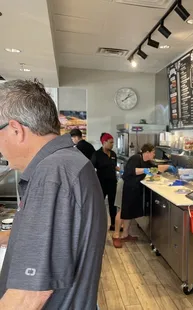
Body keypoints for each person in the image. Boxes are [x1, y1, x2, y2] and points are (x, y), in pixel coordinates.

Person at [0, 79, 107, 309]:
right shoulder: (66, 162)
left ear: (16, 130)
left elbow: (28, 296)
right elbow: (59, 237)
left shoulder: (52, 174)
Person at [112, 143, 176, 248]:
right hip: (124, 185)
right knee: (122, 209)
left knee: (129, 210)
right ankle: (116, 235)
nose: (154, 155)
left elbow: (155, 168)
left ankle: (125, 235)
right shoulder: (136, 158)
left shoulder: (147, 162)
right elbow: (131, 171)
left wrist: (169, 167)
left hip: (132, 187)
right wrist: (144, 171)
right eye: (153, 152)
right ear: (147, 152)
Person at [91, 132, 119, 231]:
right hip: (101, 183)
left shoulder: (113, 154)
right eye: (111, 142)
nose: (113, 144)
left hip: (112, 183)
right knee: (99, 204)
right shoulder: (96, 154)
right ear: (104, 142)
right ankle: (96, 225)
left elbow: (113, 166)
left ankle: (113, 224)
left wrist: (120, 170)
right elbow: (91, 168)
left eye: (113, 142)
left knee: (113, 204)